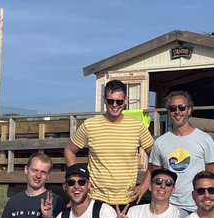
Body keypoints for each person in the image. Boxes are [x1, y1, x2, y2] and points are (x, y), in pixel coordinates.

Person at [65, 79, 153, 210]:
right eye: (111, 101)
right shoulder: (90, 125)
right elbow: (69, 150)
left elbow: (155, 155)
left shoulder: (137, 126)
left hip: (128, 199)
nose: (115, 105)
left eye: (119, 101)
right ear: (104, 100)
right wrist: (79, 180)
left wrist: (145, 185)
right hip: (96, 198)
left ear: (126, 100)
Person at [149, 89, 214, 213]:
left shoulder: (205, 139)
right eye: (172, 108)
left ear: (189, 110)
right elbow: (156, 176)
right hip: (169, 208)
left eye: (181, 107)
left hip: (196, 207)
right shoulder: (160, 142)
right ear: (168, 112)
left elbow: (213, 177)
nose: (177, 112)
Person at [48, 164, 117, 218]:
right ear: (65, 186)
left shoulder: (104, 212)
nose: (76, 186)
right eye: (71, 182)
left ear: (89, 185)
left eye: (81, 182)